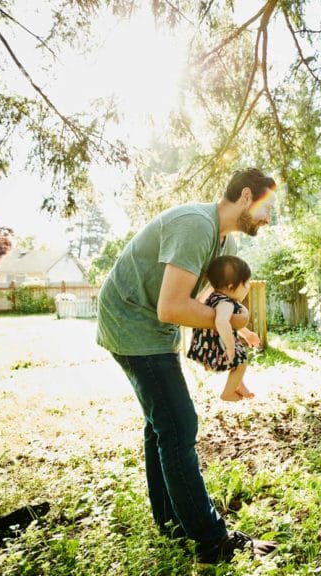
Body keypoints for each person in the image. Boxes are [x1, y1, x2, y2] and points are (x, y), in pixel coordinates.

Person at [96, 168, 278, 563]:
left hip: (149, 325)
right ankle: (212, 540)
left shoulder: (222, 236)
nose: (268, 219)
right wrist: (234, 320)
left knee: (162, 425)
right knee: (178, 425)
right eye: (266, 208)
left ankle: (172, 523)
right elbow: (172, 306)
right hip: (131, 321)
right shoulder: (197, 226)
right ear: (245, 196)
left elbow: (211, 296)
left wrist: (238, 328)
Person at [187, 255, 256, 402]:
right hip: (216, 349)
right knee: (241, 362)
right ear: (231, 286)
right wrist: (230, 347)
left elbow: (230, 323)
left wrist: (247, 334)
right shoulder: (226, 303)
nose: (248, 286)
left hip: (206, 346)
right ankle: (228, 393)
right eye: (246, 282)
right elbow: (222, 322)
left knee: (237, 362)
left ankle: (239, 385)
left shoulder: (213, 298)